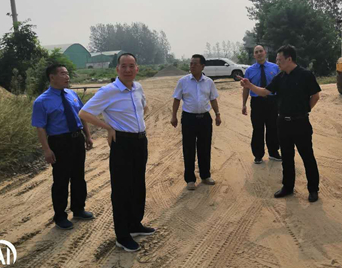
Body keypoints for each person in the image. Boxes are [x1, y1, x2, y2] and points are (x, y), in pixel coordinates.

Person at [79, 53, 155, 252]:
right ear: (117, 69)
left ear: (137, 68)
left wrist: (138, 121)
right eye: (124, 66)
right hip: (122, 143)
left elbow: (144, 107)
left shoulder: (138, 87)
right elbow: (84, 113)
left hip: (140, 141)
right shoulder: (108, 91)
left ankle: (135, 224)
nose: (128, 70)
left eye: (131, 66)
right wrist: (108, 127)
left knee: (138, 184)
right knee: (122, 189)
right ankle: (122, 236)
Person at [240, 45, 321, 203]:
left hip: (301, 123)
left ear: (289, 59)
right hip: (283, 122)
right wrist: (249, 86)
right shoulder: (280, 77)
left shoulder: (305, 75)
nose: (277, 63)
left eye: (279, 60)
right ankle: (288, 187)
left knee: (307, 156)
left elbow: (315, 96)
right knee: (287, 157)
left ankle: (313, 189)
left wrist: (304, 111)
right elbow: (265, 92)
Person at [32, 64, 94, 230]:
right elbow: (40, 127)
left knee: (78, 176)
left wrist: (87, 136)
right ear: (52, 77)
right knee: (61, 179)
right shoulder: (41, 101)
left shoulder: (72, 94)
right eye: (62, 74)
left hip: (77, 139)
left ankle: (78, 209)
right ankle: (60, 216)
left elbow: (82, 115)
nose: (67, 77)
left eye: (67, 73)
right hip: (59, 142)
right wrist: (47, 150)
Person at [171, 54, 221, 190]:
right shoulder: (183, 81)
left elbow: (213, 99)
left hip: (205, 119)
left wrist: (217, 114)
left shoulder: (209, 82)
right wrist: (174, 116)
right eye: (191, 63)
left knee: (205, 147)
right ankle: (190, 179)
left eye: (195, 64)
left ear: (202, 66)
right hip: (189, 119)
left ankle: (205, 175)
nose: (192, 66)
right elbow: (176, 99)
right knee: (188, 148)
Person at [242, 45, 281, 164]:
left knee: (273, 127)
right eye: (256, 52)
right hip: (257, 102)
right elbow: (246, 88)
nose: (259, 54)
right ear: (254, 55)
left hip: (272, 101)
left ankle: (273, 152)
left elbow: (280, 85)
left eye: (260, 51)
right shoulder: (249, 71)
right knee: (258, 128)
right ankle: (258, 155)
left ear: (265, 52)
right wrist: (244, 104)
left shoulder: (275, 68)